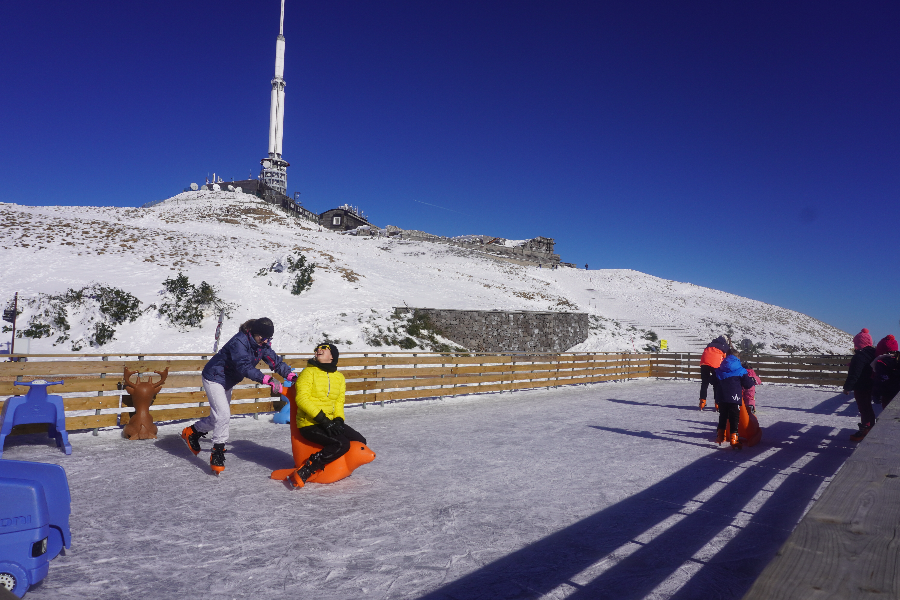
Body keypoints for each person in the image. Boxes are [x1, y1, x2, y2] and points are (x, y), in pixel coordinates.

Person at [181, 318, 296, 473]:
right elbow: (244, 366)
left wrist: (292, 377)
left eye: (268, 338)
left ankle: (193, 432)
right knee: (223, 415)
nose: (266, 341)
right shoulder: (239, 342)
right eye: (263, 337)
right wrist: (267, 379)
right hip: (214, 377)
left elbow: (276, 363)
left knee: (217, 418)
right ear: (254, 333)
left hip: (228, 381)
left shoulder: (262, 345)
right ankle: (218, 452)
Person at [293, 343, 367, 485]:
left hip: (330, 422)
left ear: (332, 355)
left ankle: (336, 467)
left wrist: (338, 420)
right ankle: (307, 469)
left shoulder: (339, 378)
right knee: (341, 443)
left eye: (324, 348)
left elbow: (339, 402)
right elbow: (302, 399)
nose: (318, 350)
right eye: (317, 349)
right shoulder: (308, 373)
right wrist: (324, 420)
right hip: (310, 423)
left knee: (359, 441)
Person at [714, 351, 757, 449]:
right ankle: (734, 438)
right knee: (734, 418)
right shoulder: (740, 370)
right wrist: (751, 381)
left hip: (722, 397)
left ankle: (720, 436)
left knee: (723, 416)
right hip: (734, 397)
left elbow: (713, 380)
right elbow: (748, 384)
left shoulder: (720, 368)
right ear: (737, 358)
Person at [843, 328, 878, 442]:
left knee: (863, 408)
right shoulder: (873, 353)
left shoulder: (859, 356)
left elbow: (855, 374)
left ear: (859, 343)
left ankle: (865, 429)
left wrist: (847, 387)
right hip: (871, 384)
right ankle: (871, 428)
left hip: (861, 386)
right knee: (868, 408)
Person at [699, 336, 730, 410]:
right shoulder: (724, 346)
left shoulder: (710, 344)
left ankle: (702, 402)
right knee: (716, 384)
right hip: (715, 365)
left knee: (704, 383)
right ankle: (717, 403)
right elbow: (726, 358)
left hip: (704, 363)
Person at [872, 335, 900, 408]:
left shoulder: (881, 363)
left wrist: (876, 394)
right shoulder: (898, 360)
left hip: (888, 394)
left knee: (888, 414)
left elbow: (881, 379)